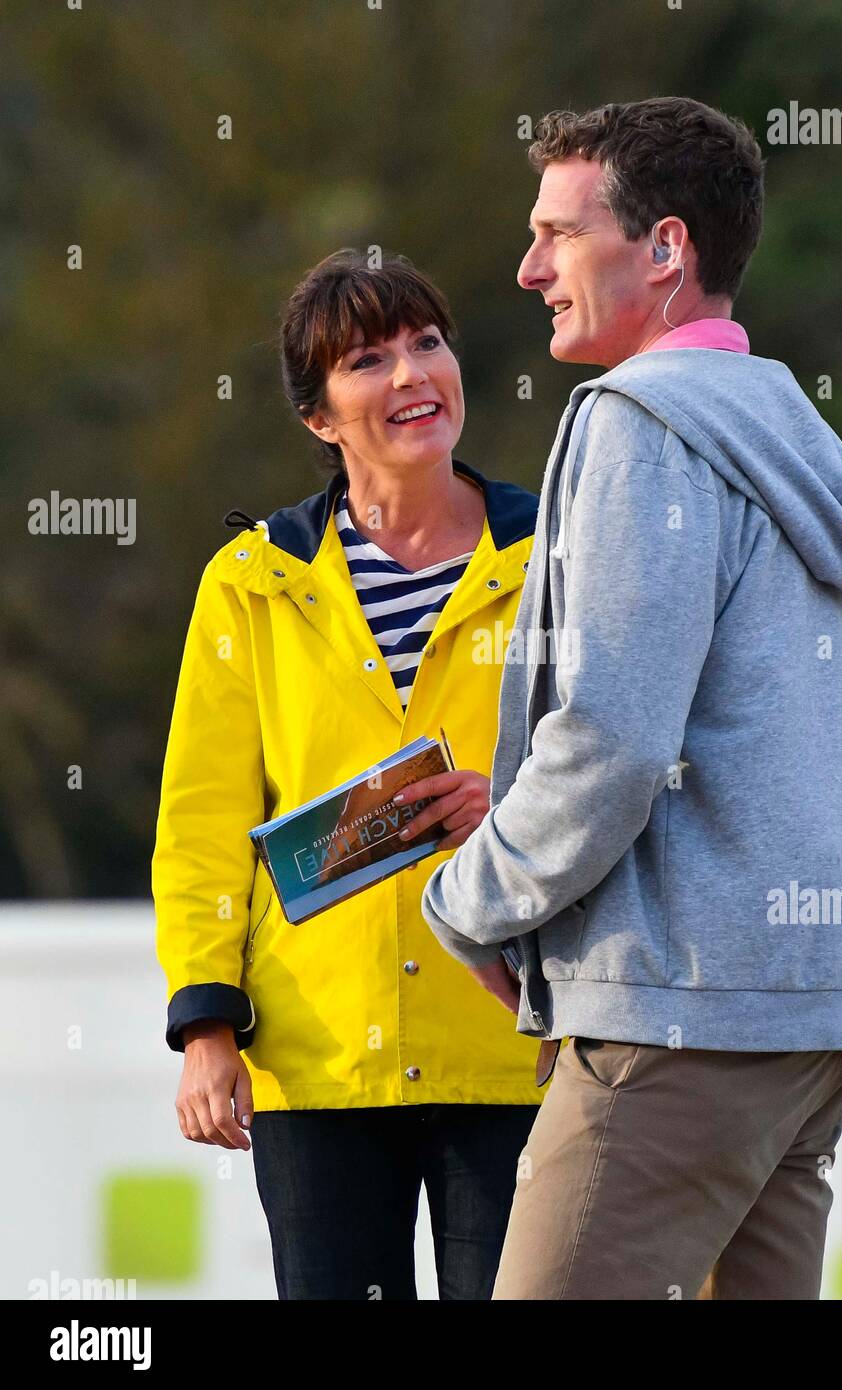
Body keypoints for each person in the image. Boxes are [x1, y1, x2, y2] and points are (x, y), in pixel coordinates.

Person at [420, 97, 842, 1300]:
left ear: (666, 251)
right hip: (810, 1016)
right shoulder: (809, 447)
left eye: (558, 233)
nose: (530, 267)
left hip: (682, 1015)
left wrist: (472, 899)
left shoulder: (639, 424)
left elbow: (614, 742)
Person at [152, 249, 540, 1300]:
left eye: (427, 343)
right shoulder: (250, 581)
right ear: (319, 415)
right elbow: (203, 820)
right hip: (317, 1058)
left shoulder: (559, 550)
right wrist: (206, 1026)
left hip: (520, 1042)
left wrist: (515, 817)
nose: (414, 375)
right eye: (369, 359)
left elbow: (624, 762)